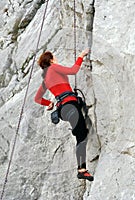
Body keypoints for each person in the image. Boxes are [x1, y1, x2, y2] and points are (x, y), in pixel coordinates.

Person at [34, 49, 94, 181]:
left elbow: (37, 98)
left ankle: (82, 169)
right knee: (81, 135)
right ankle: (81, 170)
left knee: (81, 133)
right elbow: (73, 71)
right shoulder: (54, 68)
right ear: (50, 60)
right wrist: (81, 56)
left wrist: (48, 103)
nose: (56, 60)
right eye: (54, 58)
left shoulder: (45, 79)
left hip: (63, 110)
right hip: (70, 105)